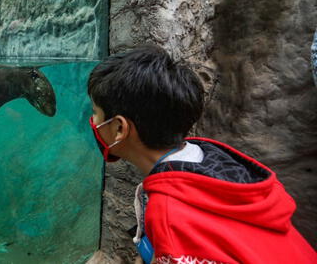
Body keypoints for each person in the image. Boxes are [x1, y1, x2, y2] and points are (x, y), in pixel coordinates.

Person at [87, 45, 317, 264]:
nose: (93, 121)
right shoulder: (213, 160)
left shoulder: (169, 214)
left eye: (95, 113)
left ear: (119, 128)